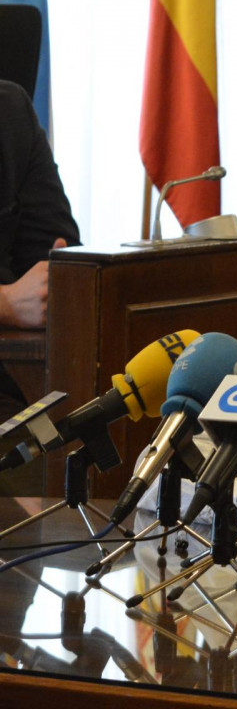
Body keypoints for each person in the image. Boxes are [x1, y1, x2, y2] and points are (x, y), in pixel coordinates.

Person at [0, 79, 81, 495]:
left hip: (13, 391)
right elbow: (16, 299)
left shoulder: (9, 111)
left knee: (77, 475)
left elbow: (57, 256)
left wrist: (55, 281)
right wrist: (5, 303)